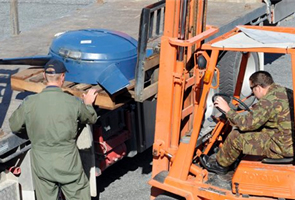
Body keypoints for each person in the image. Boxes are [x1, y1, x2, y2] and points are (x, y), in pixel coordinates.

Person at [9, 59, 98, 200]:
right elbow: (90, 118)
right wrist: (87, 104)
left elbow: (14, 125)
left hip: (42, 165)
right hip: (68, 164)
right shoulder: (72, 103)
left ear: (44, 76)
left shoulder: (29, 103)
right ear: (62, 77)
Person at [200, 71, 294, 174]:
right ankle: (233, 158)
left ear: (258, 87)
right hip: (287, 140)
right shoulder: (284, 91)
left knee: (236, 136)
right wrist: (256, 109)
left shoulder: (267, 101)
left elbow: (245, 125)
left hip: (281, 148)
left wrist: (227, 110)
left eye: (252, 90)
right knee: (254, 129)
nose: (252, 94)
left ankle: (220, 165)